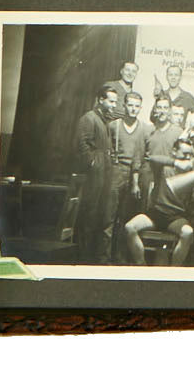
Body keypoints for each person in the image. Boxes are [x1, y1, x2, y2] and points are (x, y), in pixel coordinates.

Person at [122, 136, 194, 267]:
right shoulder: (163, 168)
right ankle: (141, 265)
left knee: (188, 233)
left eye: (190, 155)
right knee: (130, 228)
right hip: (155, 215)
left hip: (175, 218)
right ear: (174, 151)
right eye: (184, 153)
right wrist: (176, 163)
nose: (187, 157)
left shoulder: (192, 173)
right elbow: (151, 158)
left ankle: (174, 270)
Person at [73, 81, 123, 262]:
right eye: (111, 101)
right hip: (95, 174)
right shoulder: (89, 118)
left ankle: (95, 257)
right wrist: (93, 163)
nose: (114, 105)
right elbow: (82, 144)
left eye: (115, 102)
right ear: (101, 100)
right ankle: (83, 257)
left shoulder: (104, 121)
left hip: (105, 172)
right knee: (90, 214)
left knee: (101, 215)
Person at [106, 90, 150, 247]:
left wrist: (137, 179)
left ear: (140, 108)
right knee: (109, 216)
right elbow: (107, 150)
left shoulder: (145, 129)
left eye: (137, 106)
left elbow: (147, 154)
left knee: (128, 217)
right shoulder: (114, 126)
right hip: (116, 172)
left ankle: (122, 255)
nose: (133, 109)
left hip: (135, 176)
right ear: (124, 105)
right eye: (130, 105)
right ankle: (105, 256)